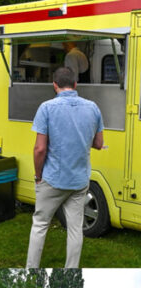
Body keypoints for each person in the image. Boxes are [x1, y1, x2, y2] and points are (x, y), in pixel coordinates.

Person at [27, 66, 104, 268]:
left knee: (40, 224)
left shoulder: (46, 108)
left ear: (55, 85)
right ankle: (71, 269)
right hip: (79, 181)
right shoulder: (93, 108)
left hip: (52, 180)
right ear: (75, 85)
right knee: (75, 228)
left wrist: (37, 176)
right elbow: (98, 143)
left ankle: (32, 268)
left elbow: (39, 149)